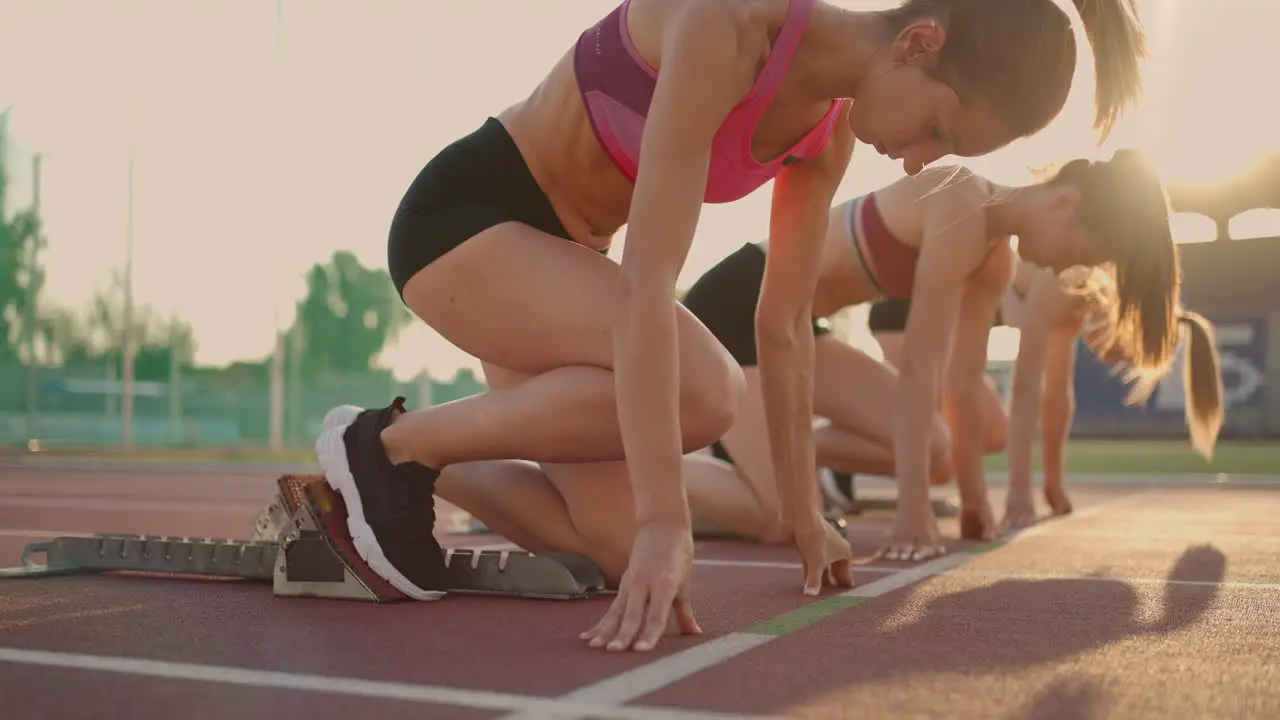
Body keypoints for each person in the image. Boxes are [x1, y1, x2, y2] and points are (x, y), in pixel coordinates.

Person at [315, 0, 1148, 653]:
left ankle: (392, 450)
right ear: (918, 43)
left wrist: (803, 516)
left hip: (561, 272)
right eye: (940, 129)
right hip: (469, 225)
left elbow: (781, 327)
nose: (925, 162)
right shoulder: (729, 24)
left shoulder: (828, 135)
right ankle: (386, 451)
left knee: (607, 551)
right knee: (705, 392)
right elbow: (647, 282)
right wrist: (664, 521)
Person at [679, 147, 1188, 563]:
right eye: (1077, 252)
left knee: (937, 454)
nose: (1064, 267)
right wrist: (912, 511)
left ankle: (761, 466)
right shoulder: (960, 203)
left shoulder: (996, 261)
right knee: (780, 521)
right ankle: (630, 469)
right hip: (735, 306)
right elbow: (921, 369)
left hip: (800, 326)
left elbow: (962, 385)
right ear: (1065, 203)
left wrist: (972, 499)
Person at [1000, 259, 1225, 528]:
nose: (1109, 360)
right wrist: (1019, 493)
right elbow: (1025, 389)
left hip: (1006, 304)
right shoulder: (1061, 281)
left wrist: (1053, 484)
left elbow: (1057, 392)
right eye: (1122, 355)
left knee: (1049, 388)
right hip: (975, 290)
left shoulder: (1080, 302)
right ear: (1125, 324)